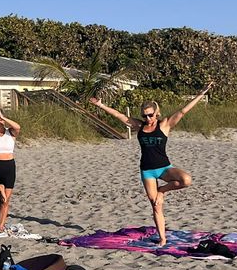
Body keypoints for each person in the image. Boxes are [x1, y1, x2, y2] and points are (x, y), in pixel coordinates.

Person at [90, 83, 213, 245]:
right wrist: (100, 105)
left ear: (157, 113)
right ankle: (162, 238)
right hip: (147, 171)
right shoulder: (139, 126)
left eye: (150, 115)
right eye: (144, 116)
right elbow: (119, 116)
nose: (148, 118)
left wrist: (201, 93)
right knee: (156, 206)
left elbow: (183, 111)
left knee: (186, 180)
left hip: (164, 168)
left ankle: (162, 190)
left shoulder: (165, 125)